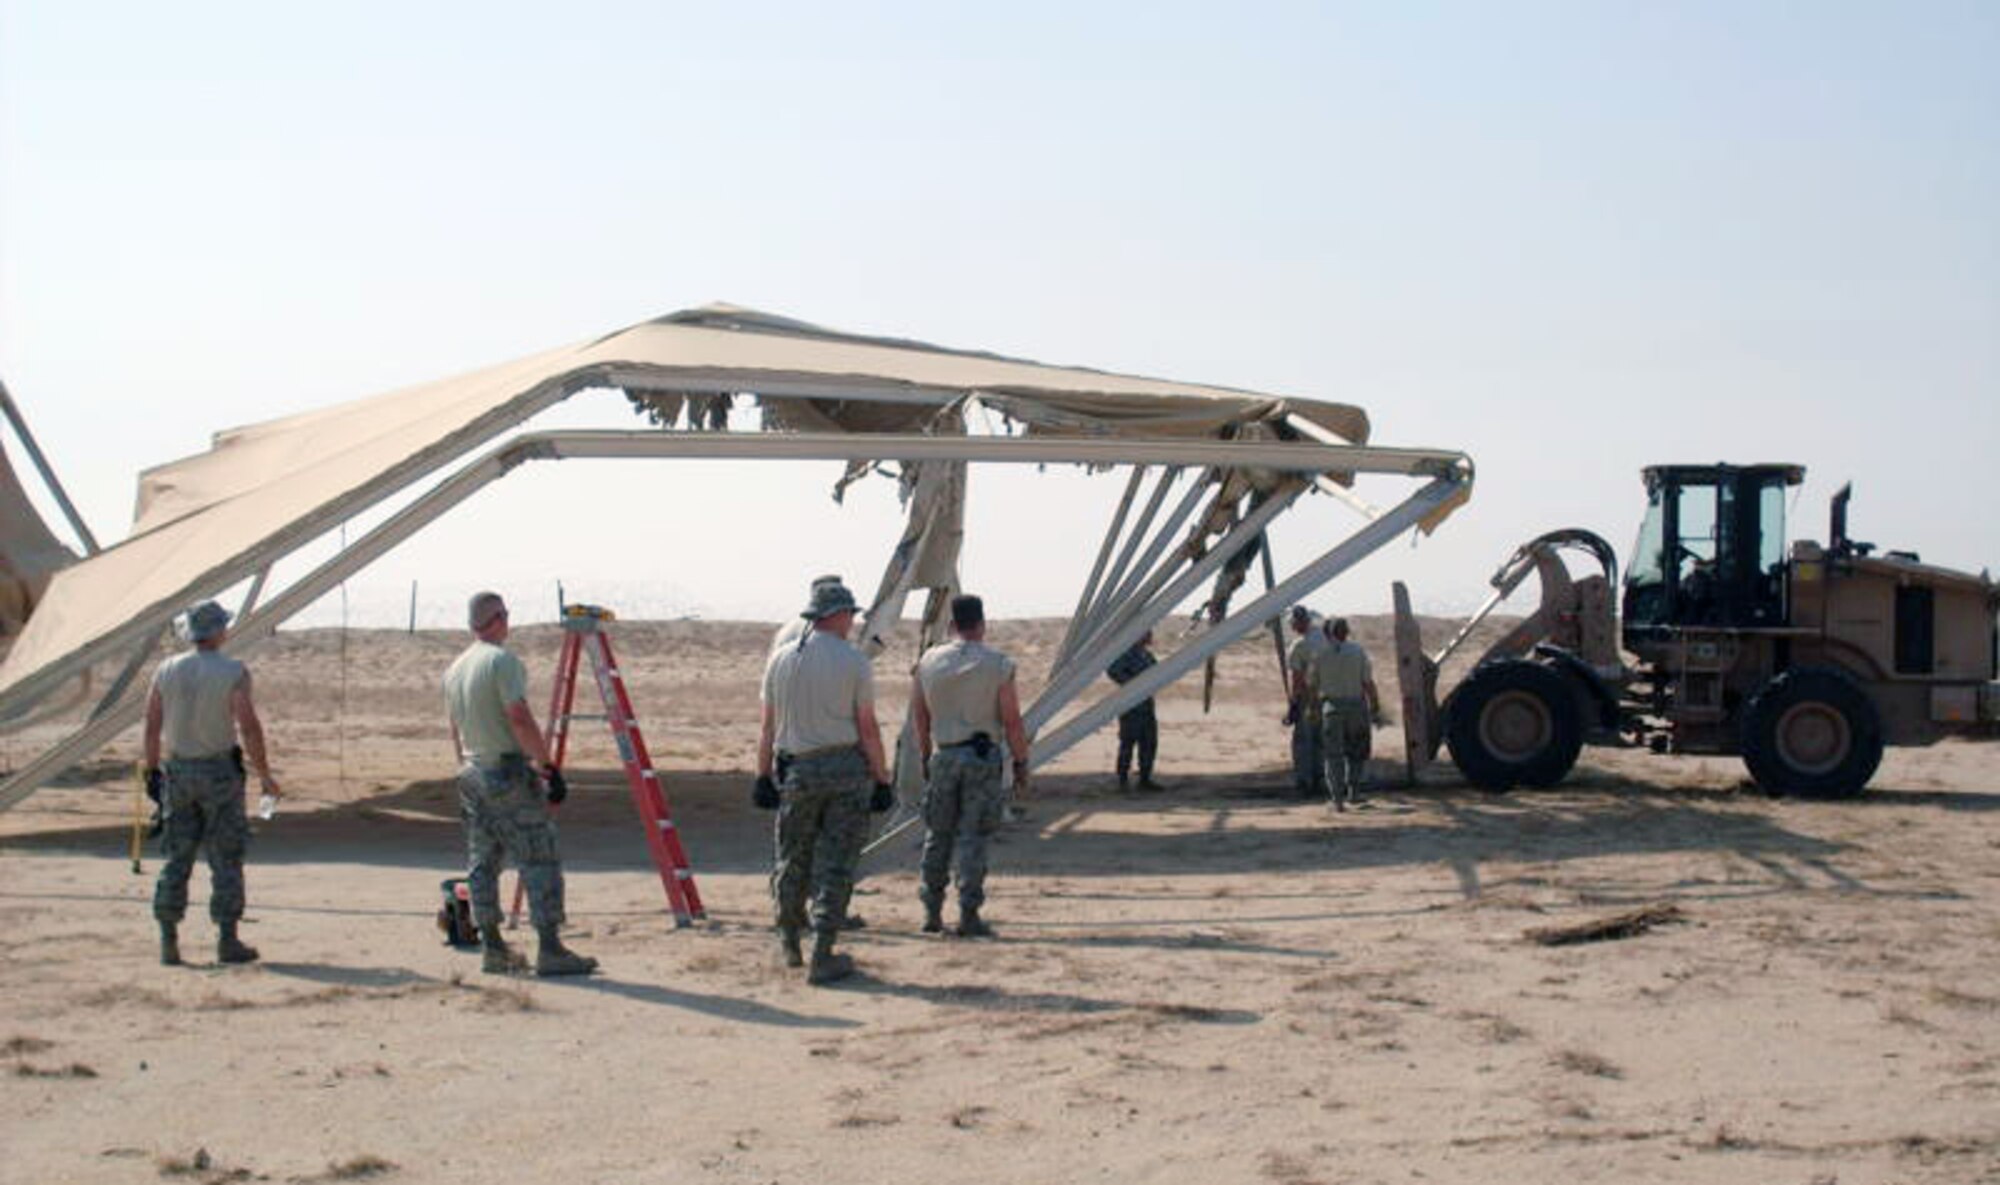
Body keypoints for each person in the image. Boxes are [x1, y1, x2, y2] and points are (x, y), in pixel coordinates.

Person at [443, 591, 598, 977]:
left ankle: (493, 946)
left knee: (483, 860)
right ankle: (550, 947)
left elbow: (454, 728)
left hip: (473, 770)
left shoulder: (456, 668)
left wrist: (464, 765)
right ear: (498, 618)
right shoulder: (501, 661)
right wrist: (547, 766)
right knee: (538, 856)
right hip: (505, 771)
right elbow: (519, 716)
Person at [756, 578, 893, 985]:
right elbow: (867, 728)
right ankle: (823, 951)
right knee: (837, 862)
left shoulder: (780, 660)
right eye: (850, 614)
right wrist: (881, 778)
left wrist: (762, 775)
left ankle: (789, 940)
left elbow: (767, 727)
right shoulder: (854, 662)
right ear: (835, 615)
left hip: (796, 770)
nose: (853, 621)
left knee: (792, 857)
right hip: (845, 772)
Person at [145, 600, 280, 966]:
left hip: (179, 771)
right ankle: (227, 938)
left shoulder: (166, 670)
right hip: (218, 772)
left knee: (177, 856)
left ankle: (168, 939)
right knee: (226, 857)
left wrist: (153, 771)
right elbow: (248, 726)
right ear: (219, 631)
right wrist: (265, 774)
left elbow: (152, 725)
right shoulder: (233, 671)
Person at [912, 594, 1031, 938]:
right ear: (981, 625)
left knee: (938, 835)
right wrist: (1021, 761)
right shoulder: (998, 664)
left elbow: (920, 717)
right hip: (980, 758)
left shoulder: (928, 663)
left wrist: (924, 755)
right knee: (973, 837)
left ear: (951, 625)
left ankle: (931, 911)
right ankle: (968, 913)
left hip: (943, 755)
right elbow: (1011, 721)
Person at [1312, 617, 1382, 811]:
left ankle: (1337, 799)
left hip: (1331, 708)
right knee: (1357, 752)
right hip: (1356, 707)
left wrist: (1312, 708)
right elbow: (1368, 683)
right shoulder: (1358, 651)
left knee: (1333, 755)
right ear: (1346, 632)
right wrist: (1375, 706)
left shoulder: (1320, 653)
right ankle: (1354, 792)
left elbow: (1313, 684)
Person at [1105, 630, 1162, 792]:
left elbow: (1156, 672)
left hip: (1146, 704)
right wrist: (1133, 685)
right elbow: (1113, 671)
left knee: (1149, 742)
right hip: (1130, 705)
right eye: (1147, 633)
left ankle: (1145, 778)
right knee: (1128, 742)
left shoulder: (1147, 655)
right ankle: (1122, 779)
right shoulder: (1126, 655)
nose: (1150, 636)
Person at [1284, 606, 1330, 799]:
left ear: (1298, 622)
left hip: (1309, 699)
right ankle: (1323, 780)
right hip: (1329, 696)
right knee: (1323, 741)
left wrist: (1293, 704)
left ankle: (1305, 781)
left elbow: (1298, 679)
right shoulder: (1325, 638)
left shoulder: (1299, 646)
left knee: (1304, 741)